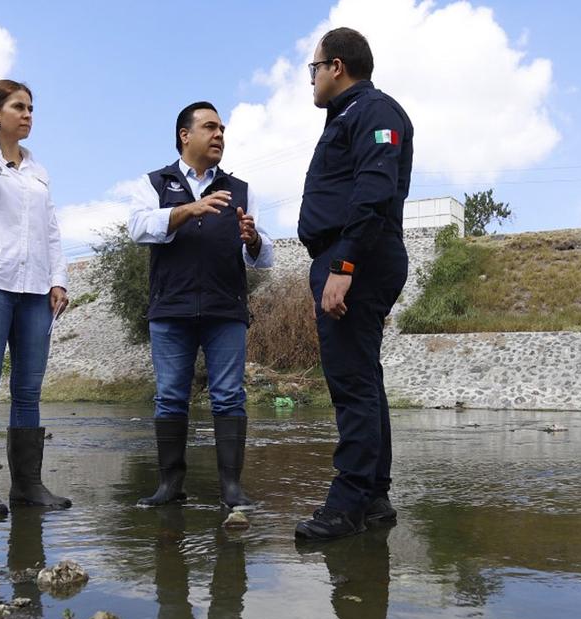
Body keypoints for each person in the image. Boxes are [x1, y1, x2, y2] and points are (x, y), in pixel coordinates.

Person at [294, 28, 414, 541]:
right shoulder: (348, 116)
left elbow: (374, 190)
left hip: (356, 255)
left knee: (351, 382)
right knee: (364, 376)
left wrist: (343, 268)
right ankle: (374, 497)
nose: (313, 80)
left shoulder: (375, 111)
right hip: (353, 254)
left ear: (336, 66)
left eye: (314, 69)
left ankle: (345, 505)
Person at [128, 101, 273, 510]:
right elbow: (138, 228)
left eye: (222, 129)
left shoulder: (241, 189)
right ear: (184, 135)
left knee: (229, 396)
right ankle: (170, 486)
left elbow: (263, 258)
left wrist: (253, 240)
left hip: (225, 308)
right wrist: (187, 210)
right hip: (170, 309)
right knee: (170, 397)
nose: (219, 135)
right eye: (210, 127)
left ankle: (231, 488)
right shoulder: (155, 182)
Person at [0, 79, 71, 517]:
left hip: (35, 290)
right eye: (18, 107)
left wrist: (58, 279)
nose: (28, 115)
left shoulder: (38, 171)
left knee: (28, 391)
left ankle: (28, 486)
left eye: (31, 108)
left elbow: (51, 230)